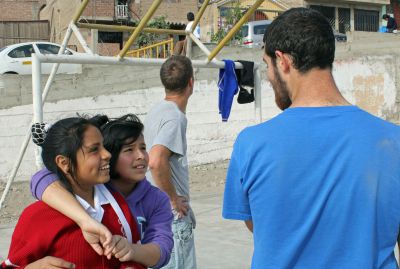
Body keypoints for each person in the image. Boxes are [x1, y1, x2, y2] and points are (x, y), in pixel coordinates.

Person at [223, 7, 400, 269]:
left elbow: (261, 226)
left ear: (282, 61)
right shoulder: (393, 141)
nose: (269, 76)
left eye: (267, 65)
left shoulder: (250, 144)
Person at [29, 114, 174, 268]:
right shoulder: (94, 189)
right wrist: (85, 220)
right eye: (129, 149)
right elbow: (41, 178)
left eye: (143, 148)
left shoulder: (156, 199)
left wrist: (131, 250)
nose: (141, 156)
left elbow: (162, 250)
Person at [2, 116, 145, 269]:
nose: (107, 154)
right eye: (94, 150)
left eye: (103, 146)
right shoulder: (37, 216)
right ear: (64, 163)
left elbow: (136, 257)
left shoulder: (117, 203)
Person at [144, 55, 196, 269]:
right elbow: (156, 161)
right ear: (191, 83)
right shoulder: (174, 117)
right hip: (172, 217)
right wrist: (173, 199)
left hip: (154, 213)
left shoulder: (156, 111)